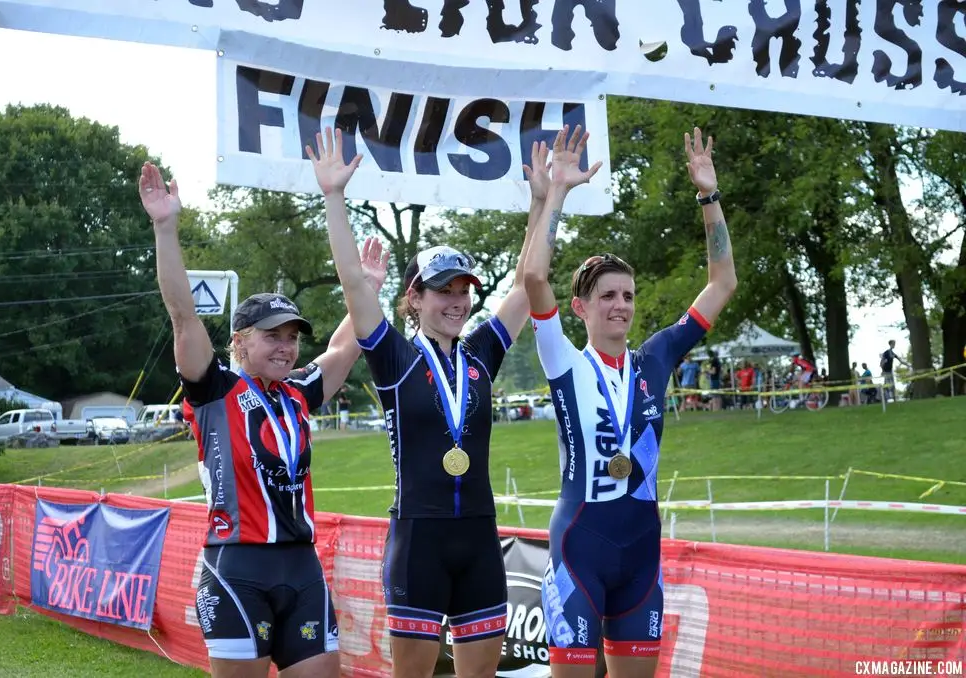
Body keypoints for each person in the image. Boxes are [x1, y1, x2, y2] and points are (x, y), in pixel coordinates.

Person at [139, 161, 390, 678]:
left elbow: (348, 344)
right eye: (273, 335)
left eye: (293, 336)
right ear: (241, 340)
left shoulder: (299, 391)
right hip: (237, 569)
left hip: (302, 566)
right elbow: (183, 315)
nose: (286, 346)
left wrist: (366, 288)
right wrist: (165, 227)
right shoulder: (214, 390)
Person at [305, 128, 537, 678]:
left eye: (464, 291)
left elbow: (530, 283)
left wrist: (545, 202)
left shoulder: (482, 352)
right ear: (416, 298)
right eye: (444, 291)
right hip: (418, 540)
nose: (457, 302)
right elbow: (352, 284)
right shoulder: (395, 358)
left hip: (481, 537)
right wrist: (334, 197)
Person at [523, 126, 736, 678]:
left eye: (629, 296)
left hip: (642, 552)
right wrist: (559, 194)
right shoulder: (564, 362)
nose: (621, 306)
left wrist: (707, 196)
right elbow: (532, 276)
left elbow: (722, 283)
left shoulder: (655, 360)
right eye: (608, 296)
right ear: (580, 307)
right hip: (579, 550)